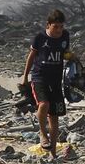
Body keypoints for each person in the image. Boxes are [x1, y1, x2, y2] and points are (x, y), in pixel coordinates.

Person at [22, 8, 73, 156]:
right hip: (40, 77)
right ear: (48, 25)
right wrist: (25, 76)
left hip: (56, 80)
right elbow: (31, 56)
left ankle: (53, 152)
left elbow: (65, 54)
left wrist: (72, 58)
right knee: (43, 104)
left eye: (61, 26)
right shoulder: (40, 37)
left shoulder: (65, 36)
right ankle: (43, 134)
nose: (59, 30)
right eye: (55, 26)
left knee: (54, 117)